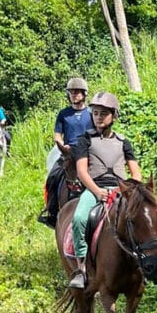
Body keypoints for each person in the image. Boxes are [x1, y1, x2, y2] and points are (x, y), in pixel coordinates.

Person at [39, 78, 92, 226]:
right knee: (53, 177)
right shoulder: (63, 114)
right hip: (69, 152)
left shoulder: (91, 113)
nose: (74, 95)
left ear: (84, 94)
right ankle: (51, 212)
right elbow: (57, 135)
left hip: (87, 151)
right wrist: (62, 145)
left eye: (77, 92)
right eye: (71, 92)